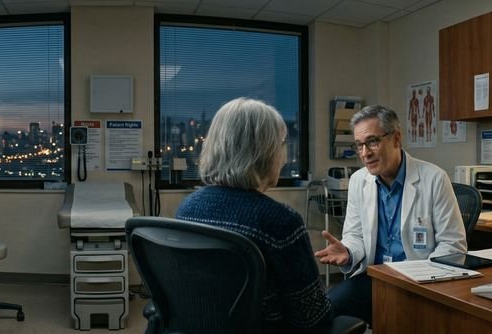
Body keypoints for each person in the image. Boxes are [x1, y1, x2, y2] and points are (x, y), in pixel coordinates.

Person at [174, 98, 332, 332]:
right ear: (263, 153)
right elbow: (312, 319)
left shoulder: (187, 209)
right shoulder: (281, 222)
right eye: (281, 145)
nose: (285, 156)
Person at [314, 105, 467, 324]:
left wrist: (421, 278)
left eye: (372, 142)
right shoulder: (359, 180)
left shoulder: (434, 178)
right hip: (375, 279)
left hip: (418, 281)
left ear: (396, 139)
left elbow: (453, 246)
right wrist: (348, 251)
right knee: (326, 311)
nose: (365, 153)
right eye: (359, 145)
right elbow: (355, 235)